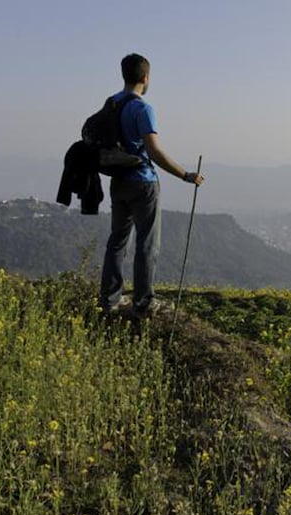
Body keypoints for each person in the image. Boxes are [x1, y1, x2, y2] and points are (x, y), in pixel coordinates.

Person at [100, 53, 204, 317]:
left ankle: (110, 299)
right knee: (147, 244)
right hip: (142, 182)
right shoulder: (142, 109)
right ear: (145, 78)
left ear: (124, 75)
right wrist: (186, 175)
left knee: (117, 242)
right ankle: (143, 302)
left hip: (118, 180)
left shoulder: (111, 103)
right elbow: (154, 152)